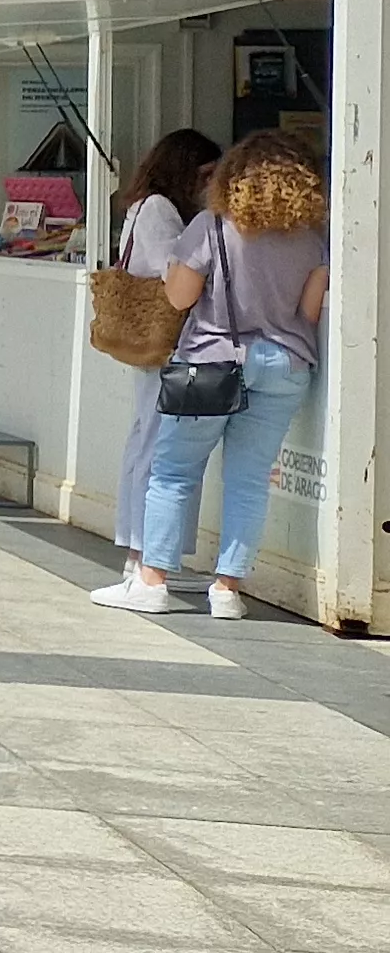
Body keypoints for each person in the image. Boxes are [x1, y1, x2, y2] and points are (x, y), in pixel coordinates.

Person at [93, 130, 329, 621]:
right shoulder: (314, 241)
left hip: (211, 360)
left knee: (174, 472)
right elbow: (309, 312)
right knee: (248, 480)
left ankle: (152, 582)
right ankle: (227, 589)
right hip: (285, 365)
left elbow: (179, 298)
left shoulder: (209, 226)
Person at [104, 128, 223, 571]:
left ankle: (140, 549)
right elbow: (174, 272)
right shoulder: (159, 209)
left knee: (146, 438)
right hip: (164, 342)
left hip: (152, 345)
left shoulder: (146, 206)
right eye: (207, 173)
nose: (212, 183)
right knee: (156, 443)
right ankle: (144, 551)